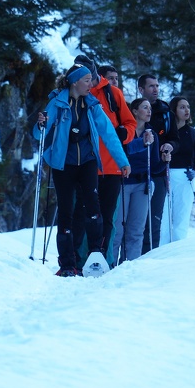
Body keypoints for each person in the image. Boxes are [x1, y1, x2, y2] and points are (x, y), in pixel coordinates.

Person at [33, 64, 131, 277]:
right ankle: (67, 263)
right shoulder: (57, 103)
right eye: (87, 80)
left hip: (87, 162)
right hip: (63, 164)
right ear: (74, 82)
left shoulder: (93, 105)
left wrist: (122, 161)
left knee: (93, 207)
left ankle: (96, 254)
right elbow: (39, 134)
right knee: (66, 212)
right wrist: (40, 124)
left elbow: (109, 134)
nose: (91, 84)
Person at [71, 55, 137, 267]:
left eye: (88, 76)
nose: (87, 80)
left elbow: (130, 124)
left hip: (111, 168)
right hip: (84, 165)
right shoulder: (77, 92)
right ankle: (79, 261)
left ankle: (102, 261)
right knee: (81, 215)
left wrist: (121, 135)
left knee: (107, 218)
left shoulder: (113, 94)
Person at [112, 98, 171, 264]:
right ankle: (111, 264)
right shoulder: (124, 131)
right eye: (145, 108)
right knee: (117, 229)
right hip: (122, 182)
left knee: (136, 229)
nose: (149, 111)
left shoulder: (151, 134)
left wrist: (164, 161)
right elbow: (120, 153)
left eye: (150, 108)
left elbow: (153, 166)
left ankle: (129, 264)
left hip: (142, 184)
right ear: (135, 111)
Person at [137, 74, 180, 254]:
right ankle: (129, 258)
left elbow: (175, 140)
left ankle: (149, 257)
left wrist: (170, 145)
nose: (155, 90)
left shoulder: (166, 113)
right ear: (141, 89)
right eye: (151, 86)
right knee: (135, 221)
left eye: (157, 86)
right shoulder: (134, 110)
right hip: (137, 173)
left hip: (159, 172)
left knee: (154, 219)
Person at [160, 96, 195, 243]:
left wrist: (194, 172)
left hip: (185, 177)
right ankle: (161, 249)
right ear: (174, 110)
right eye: (182, 107)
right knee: (164, 215)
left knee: (181, 216)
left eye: (188, 107)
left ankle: (178, 246)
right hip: (165, 174)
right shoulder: (166, 132)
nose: (186, 110)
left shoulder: (193, 134)